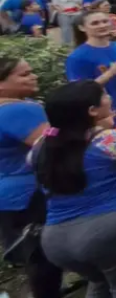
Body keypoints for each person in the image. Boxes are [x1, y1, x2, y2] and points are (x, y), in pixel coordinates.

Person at [33, 80, 116, 298]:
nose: (109, 97)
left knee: (100, 283)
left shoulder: (41, 147)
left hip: (57, 240)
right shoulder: (111, 139)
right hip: (112, 231)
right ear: (92, 110)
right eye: (104, 95)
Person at [0, 57, 63, 298]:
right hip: (30, 194)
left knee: (31, 257)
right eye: (24, 75)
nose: (33, 76)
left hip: (8, 196)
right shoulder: (21, 110)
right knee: (44, 258)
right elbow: (51, 148)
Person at [65, 11, 116, 118]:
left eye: (105, 21)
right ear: (82, 28)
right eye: (95, 23)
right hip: (105, 114)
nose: (102, 25)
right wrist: (110, 73)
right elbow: (79, 91)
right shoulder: (77, 57)